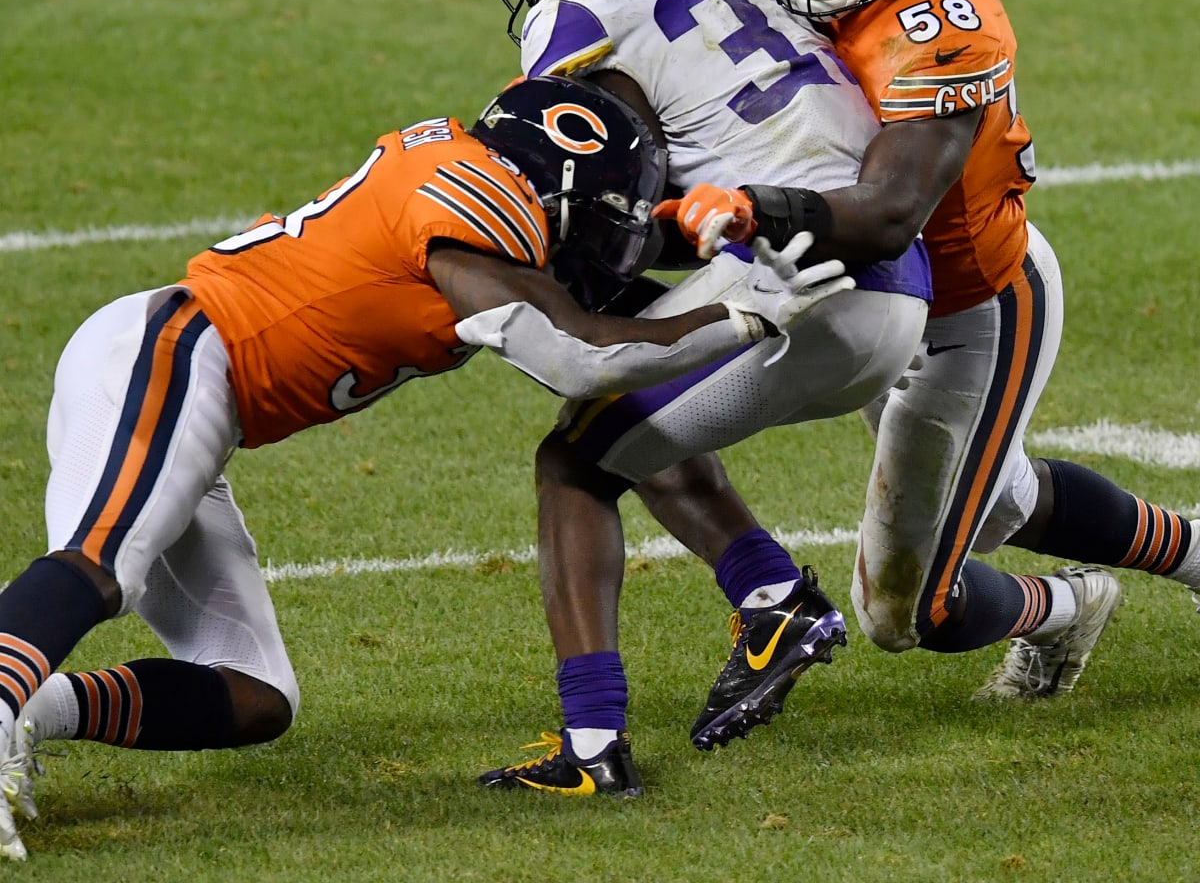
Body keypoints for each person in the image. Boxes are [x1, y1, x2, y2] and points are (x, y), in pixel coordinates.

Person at [0, 74, 855, 857]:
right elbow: (580, 356)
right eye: (601, 215)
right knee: (102, 562)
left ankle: (33, 711)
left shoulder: (472, 179)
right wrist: (749, 315)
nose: (606, 241)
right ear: (553, 190)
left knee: (256, 695)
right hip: (176, 354)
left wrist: (707, 228)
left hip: (206, 395)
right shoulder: (476, 215)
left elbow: (591, 282)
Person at [653, 0, 1200, 718]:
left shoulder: (941, 28)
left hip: (968, 311)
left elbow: (890, 213)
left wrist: (748, 206)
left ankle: (1068, 606)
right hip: (870, 308)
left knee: (908, 609)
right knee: (1001, 502)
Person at [476, 0, 932, 793]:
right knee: (632, 364)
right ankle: (773, 597)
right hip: (892, 280)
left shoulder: (586, 5)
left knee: (574, 459)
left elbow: (574, 184)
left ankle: (591, 747)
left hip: (802, 285)